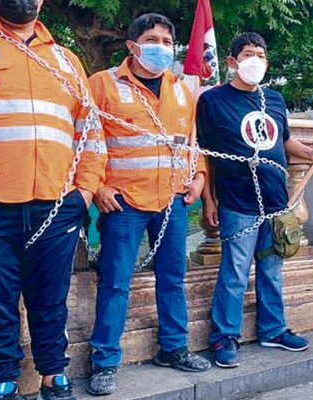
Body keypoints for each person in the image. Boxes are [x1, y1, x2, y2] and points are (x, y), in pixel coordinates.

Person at [0, 1, 105, 399]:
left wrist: (83, 194)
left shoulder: (65, 60)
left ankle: (54, 374)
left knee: (51, 297)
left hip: (56, 202)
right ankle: (2, 377)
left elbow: (91, 133)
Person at [85, 13, 211, 396]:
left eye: (167, 41)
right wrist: (101, 187)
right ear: (133, 46)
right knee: (115, 283)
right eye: (152, 39)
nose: (161, 47)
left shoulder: (180, 89)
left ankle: (173, 348)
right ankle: (104, 362)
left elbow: (191, 144)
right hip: (123, 204)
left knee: (173, 279)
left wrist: (200, 179)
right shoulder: (102, 85)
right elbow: (86, 141)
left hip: (172, 200)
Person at [197, 32, 313, 369]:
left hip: (275, 202)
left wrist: (312, 151)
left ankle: (273, 329)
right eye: (246, 53)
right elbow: (206, 156)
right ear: (232, 61)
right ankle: (225, 336)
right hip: (237, 203)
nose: (254, 60)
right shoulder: (213, 101)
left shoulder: (274, 100)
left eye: (259, 54)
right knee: (235, 272)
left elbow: (284, 141)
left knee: (272, 270)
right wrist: (209, 201)